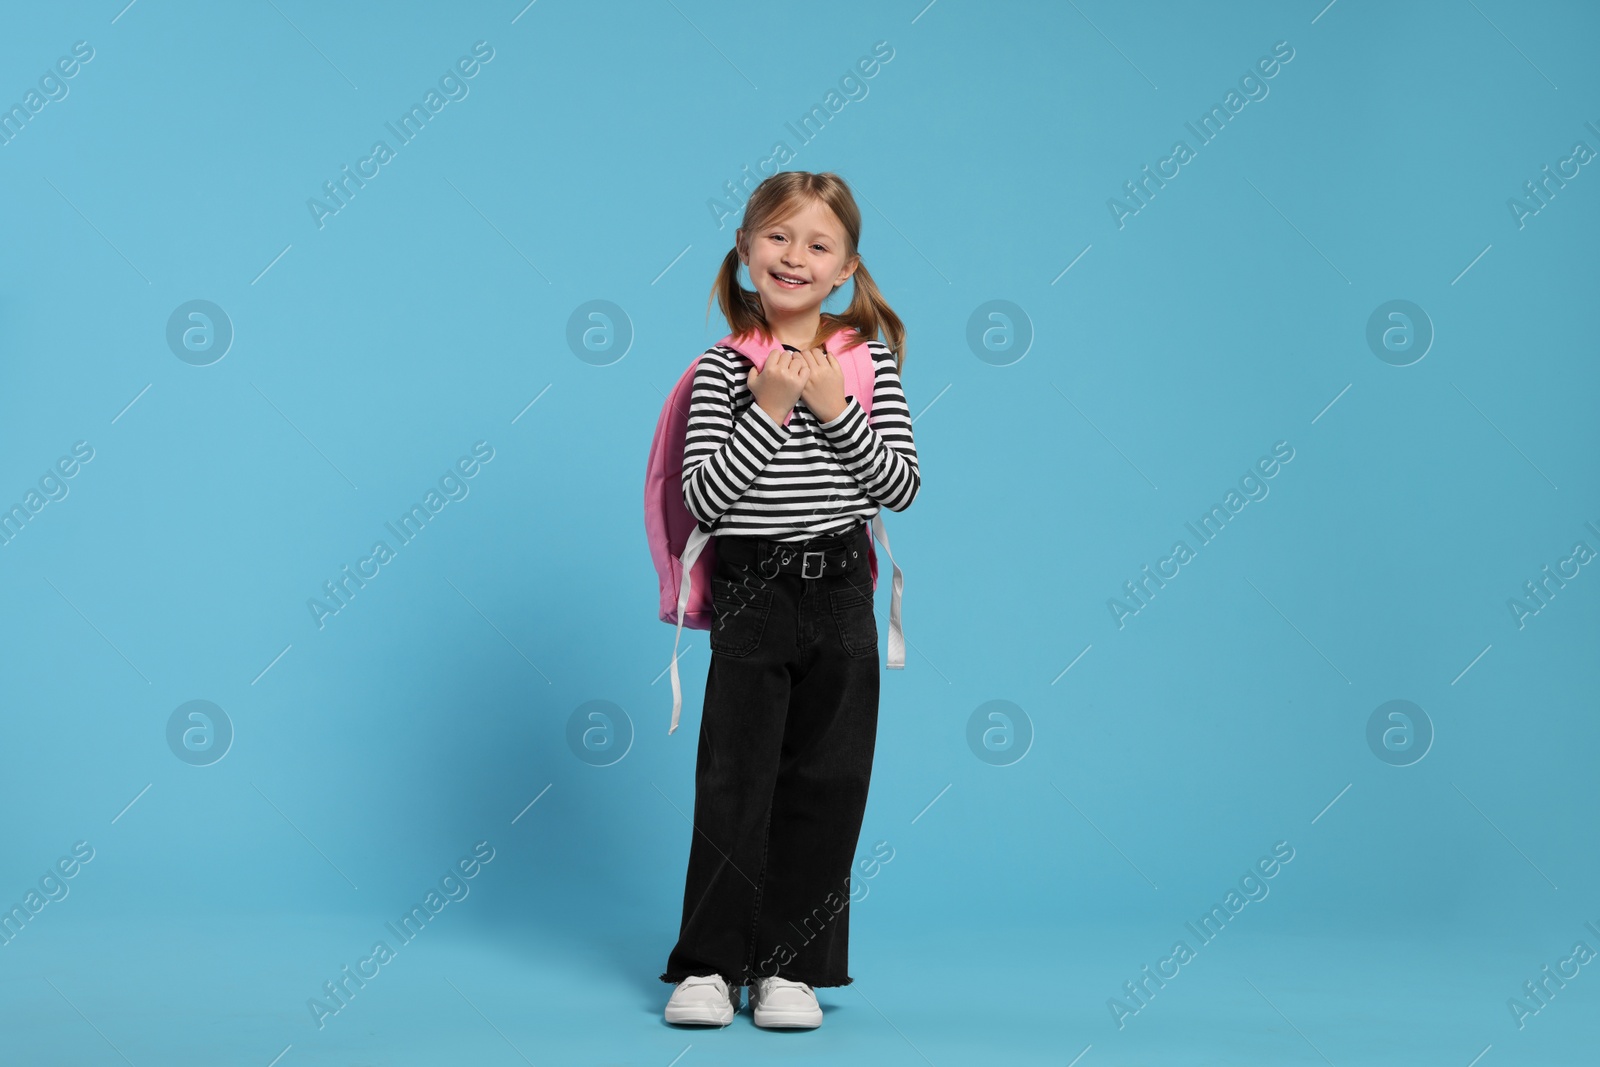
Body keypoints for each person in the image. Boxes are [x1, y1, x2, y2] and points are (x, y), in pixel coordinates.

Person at [659, 170, 921, 1030]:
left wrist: (834, 407)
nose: (794, 255)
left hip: (841, 592)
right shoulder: (719, 372)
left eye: (817, 243)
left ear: (845, 269)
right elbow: (705, 500)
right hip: (753, 594)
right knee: (734, 778)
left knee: (828, 779)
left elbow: (899, 484)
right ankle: (708, 965)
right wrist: (768, 408)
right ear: (744, 252)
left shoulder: (867, 363)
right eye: (777, 236)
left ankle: (789, 969)